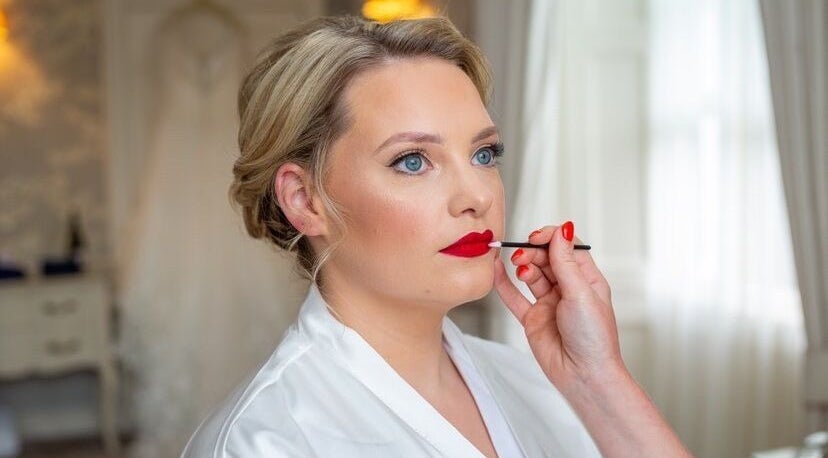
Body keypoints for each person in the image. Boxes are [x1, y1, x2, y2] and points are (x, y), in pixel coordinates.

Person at [181, 14, 692, 458]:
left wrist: (597, 377)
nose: (476, 196)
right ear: (305, 200)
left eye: (484, 154)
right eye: (412, 161)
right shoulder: (262, 442)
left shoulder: (535, 380)